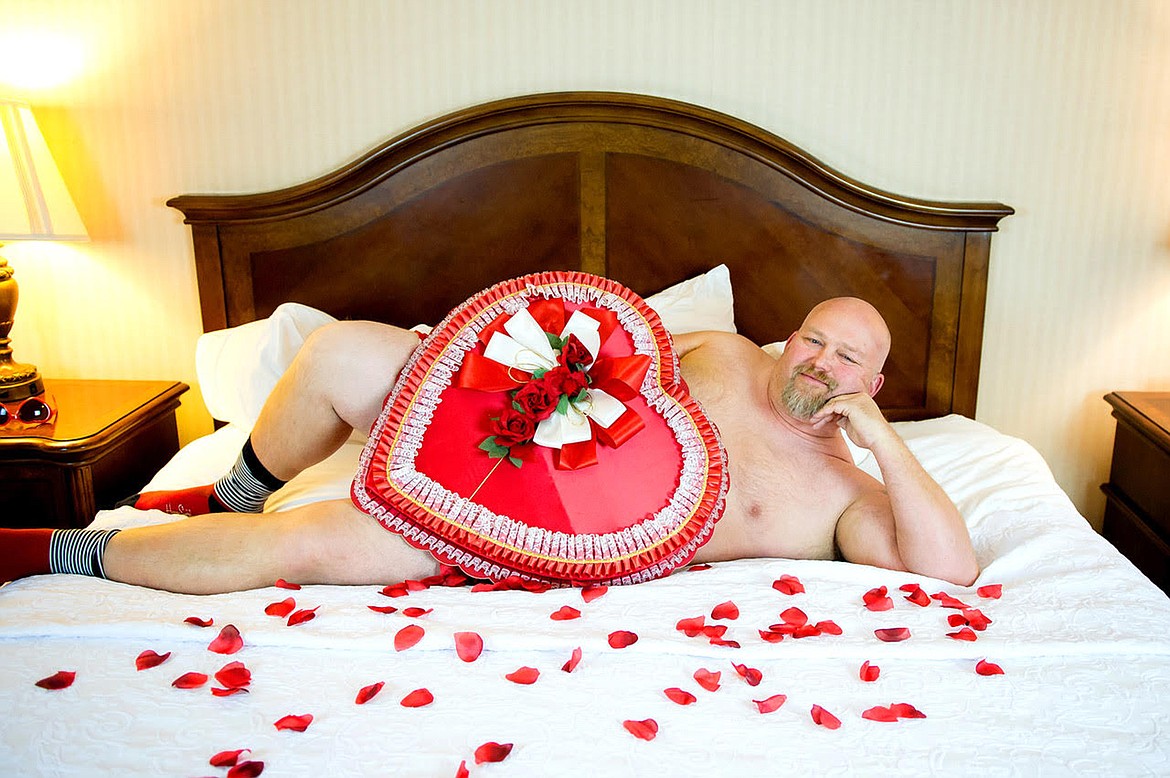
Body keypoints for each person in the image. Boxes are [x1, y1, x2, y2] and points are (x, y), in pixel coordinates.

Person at [0, 296, 979, 592]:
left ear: (872, 384)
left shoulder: (846, 493)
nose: (818, 362)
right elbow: (593, 348)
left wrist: (886, 447)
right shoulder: (719, 351)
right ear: (790, 331)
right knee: (341, 353)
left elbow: (955, 570)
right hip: (507, 440)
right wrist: (464, 362)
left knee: (302, 551)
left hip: (526, 533)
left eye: (848, 358)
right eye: (814, 336)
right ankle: (240, 487)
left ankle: (68, 550)